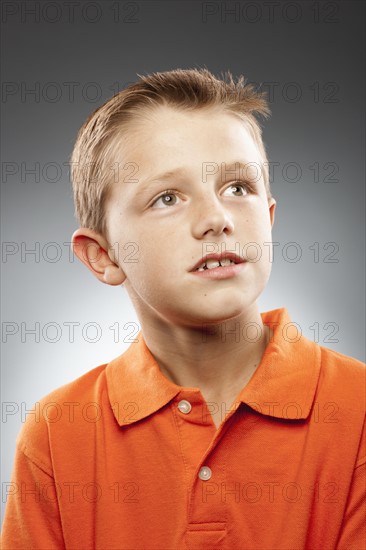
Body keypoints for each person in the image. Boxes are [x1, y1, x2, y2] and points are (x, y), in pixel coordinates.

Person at [1, 68, 365, 549]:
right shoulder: (55, 433)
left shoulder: (357, 412)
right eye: (167, 197)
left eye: (238, 188)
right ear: (103, 255)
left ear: (269, 218)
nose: (216, 218)